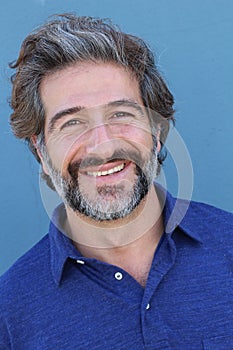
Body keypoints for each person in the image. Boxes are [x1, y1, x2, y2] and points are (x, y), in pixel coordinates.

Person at [1, 13, 233, 350]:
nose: (104, 145)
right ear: (41, 149)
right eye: (73, 123)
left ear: (155, 131)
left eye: (120, 114)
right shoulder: (11, 314)